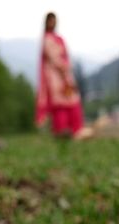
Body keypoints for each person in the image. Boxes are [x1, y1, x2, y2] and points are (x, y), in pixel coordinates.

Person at [35, 12, 92, 140]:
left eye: (54, 20)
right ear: (46, 22)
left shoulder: (58, 38)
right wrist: (64, 73)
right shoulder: (48, 39)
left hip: (65, 74)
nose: (52, 23)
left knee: (71, 100)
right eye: (50, 20)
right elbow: (55, 58)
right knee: (61, 103)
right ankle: (61, 130)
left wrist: (66, 74)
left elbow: (65, 57)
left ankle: (75, 129)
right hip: (55, 77)